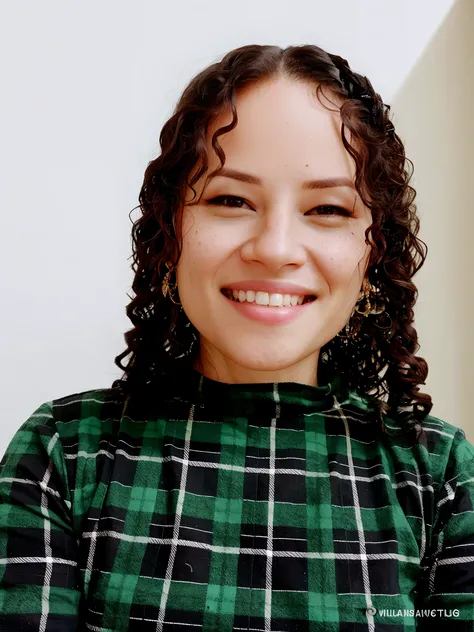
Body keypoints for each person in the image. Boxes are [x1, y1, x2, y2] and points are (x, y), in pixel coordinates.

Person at [1, 43, 473, 631]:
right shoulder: (64, 456)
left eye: (327, 209)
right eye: (230, 199)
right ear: (169, 231)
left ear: (372, 250)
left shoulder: (442, 476)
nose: (275, 249)